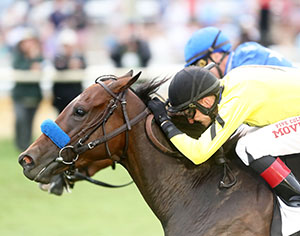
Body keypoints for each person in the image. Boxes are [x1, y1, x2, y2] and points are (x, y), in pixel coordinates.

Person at [147, 65, 300, 209]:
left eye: (189, 112)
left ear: (205, 102)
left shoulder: (237, 99)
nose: (190, 120)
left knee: (248, 146)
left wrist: (164, 121)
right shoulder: (231, 82)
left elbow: (198, 153)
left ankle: (296, 201)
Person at [184, 26, 294, 78]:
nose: (201, 72)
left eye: (200, 64)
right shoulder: (244, 55)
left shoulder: (244, 66)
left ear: (216, 55)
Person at [11, 28, 44, 151]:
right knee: (21, 120)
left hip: (34, 95)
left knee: (29, 121)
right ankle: (20, 144)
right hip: (20, 95)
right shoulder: (18, 57)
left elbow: (40, 68)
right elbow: (20, 68)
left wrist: (34, 59)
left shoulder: (38, 56)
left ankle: (26, 144)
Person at [52, 29, 86, 113]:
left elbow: (84, 66)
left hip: (75, 93)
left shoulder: (79, 56)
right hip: (61, 95)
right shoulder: (58, 57)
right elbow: (59, 67)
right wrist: (69, 65)